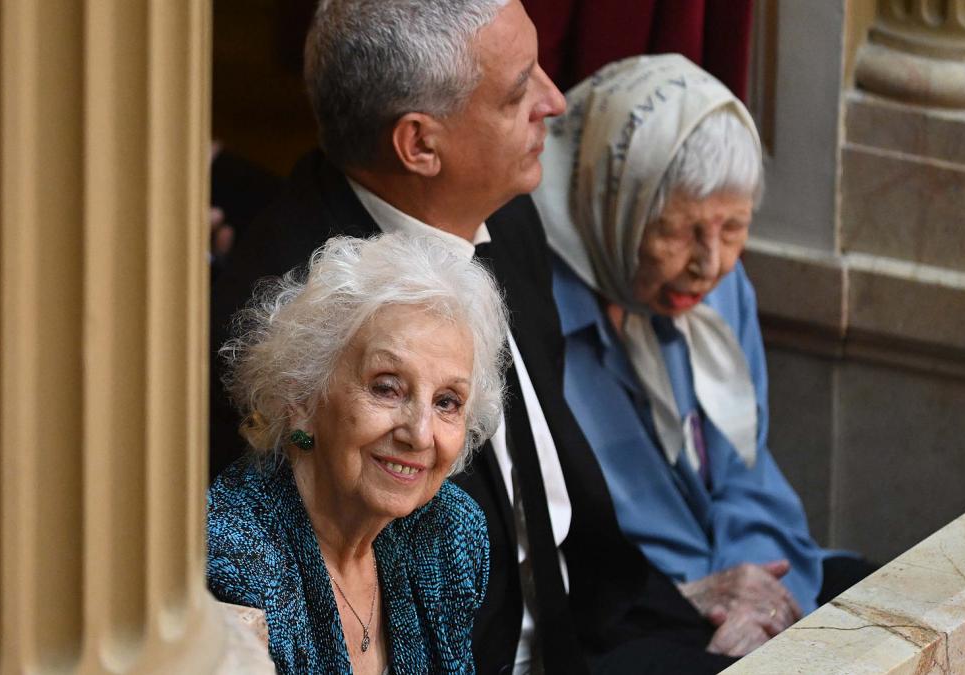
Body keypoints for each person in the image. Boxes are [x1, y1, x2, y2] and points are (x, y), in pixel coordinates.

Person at [211, 1, 738, 672]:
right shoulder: (284, 316)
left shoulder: (507, 217)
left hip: (588, 628)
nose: (555, 102)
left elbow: (560, 528)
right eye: (519, 90)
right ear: (420, 144)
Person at [533, 53, 875, 652]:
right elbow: (578, 549)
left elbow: (747, 474)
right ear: (615, 207)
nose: (710, 263)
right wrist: (705, 601)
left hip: (743, 581)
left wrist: (754, 596)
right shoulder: (537, 315)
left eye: (734, 228)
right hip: (628, 616)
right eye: (679, 230)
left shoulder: (721, 292)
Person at [208, 234, 507, 673]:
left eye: (447, 402)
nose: (420, 435)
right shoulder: (230, 561)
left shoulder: (448, 531)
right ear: (302, 397)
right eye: (387, 388)